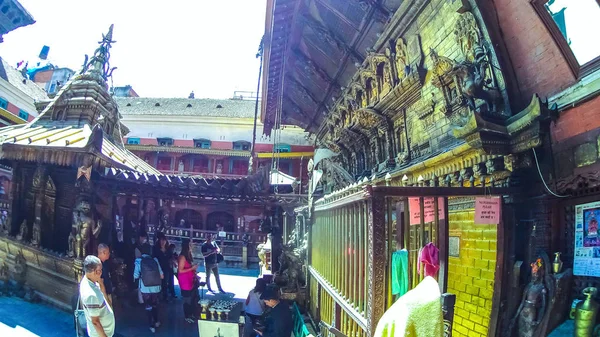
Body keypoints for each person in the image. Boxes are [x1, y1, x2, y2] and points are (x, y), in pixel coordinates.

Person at [79, 255, 115, 337]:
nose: (101, 273)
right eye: (99, 271)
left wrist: (101, 285)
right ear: (93, 272)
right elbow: (95, 322)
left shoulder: (92, 281)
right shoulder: (91, 295)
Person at [134, 244, 164, 333]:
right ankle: (156, 321)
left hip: (145, 288)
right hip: (156, 288)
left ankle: (151, 325)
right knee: (155, 304)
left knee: (148, 306)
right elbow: (162, 276)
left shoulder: (139, 261)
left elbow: (135, 276)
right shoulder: (155, 260)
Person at [178, 239, 199, 323]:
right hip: (185, 281)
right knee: (187, 299)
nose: (192, 246)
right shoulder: (182, 257)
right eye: (190, 245)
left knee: (193, 298)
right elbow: (180, 270)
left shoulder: (188, 255)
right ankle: (187, 316)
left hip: (190, 279)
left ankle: (192, 314)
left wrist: (194, 272)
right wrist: (192, 268)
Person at [153, 233, 175, 301]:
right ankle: (164, 296)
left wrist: (173, 261)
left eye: (164, 240)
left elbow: (171, 257)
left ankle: (171, 292)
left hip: (168, 267)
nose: (162, 242)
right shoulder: (156, 249)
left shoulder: (168, 249)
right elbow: (154, 258)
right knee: (163, 282)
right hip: (160, 267)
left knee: (170, 280)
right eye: (161, 240)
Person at [97, 244, 113, 309]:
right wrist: (107, 299)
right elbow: (101, 283)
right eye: (108, 252)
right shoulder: (98, 265)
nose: (109, 254)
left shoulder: (105, 263)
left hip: (107, 292)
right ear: (103, 252)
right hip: (104, 295)